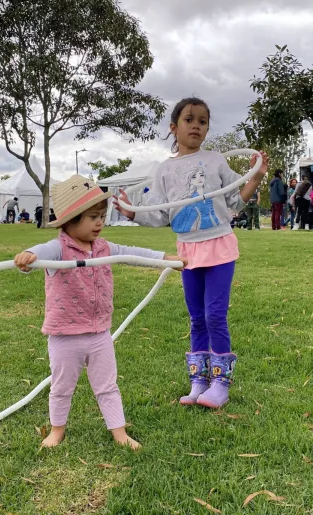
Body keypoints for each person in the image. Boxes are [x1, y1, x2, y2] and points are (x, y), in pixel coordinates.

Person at [114, 97, 268, 409]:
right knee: (197, 317)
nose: (196, 125)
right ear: (174, 127)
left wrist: (256, 176)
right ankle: (199, 379)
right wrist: (132, 213)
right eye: (189, 119)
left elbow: (234, 204)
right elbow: (160, 214)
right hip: (188, 251)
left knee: (214, 314)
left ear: (207, 128)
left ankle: (220, 384)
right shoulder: (164, 170)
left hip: (220, 246)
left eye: (202, 121)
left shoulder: (215, 161)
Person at [14, 175, 186, 449]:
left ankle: (119, 433)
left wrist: (164, 259)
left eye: (102, 216)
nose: (100, 222)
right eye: (93, 216)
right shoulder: (58, 249)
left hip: (99, 333)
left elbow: (131, 253)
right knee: (61, 387)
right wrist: (28, 254)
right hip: (64, 335)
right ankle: (57, 430)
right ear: (71, 220)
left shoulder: (104, 248)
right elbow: (40, 251)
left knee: (107, 385)